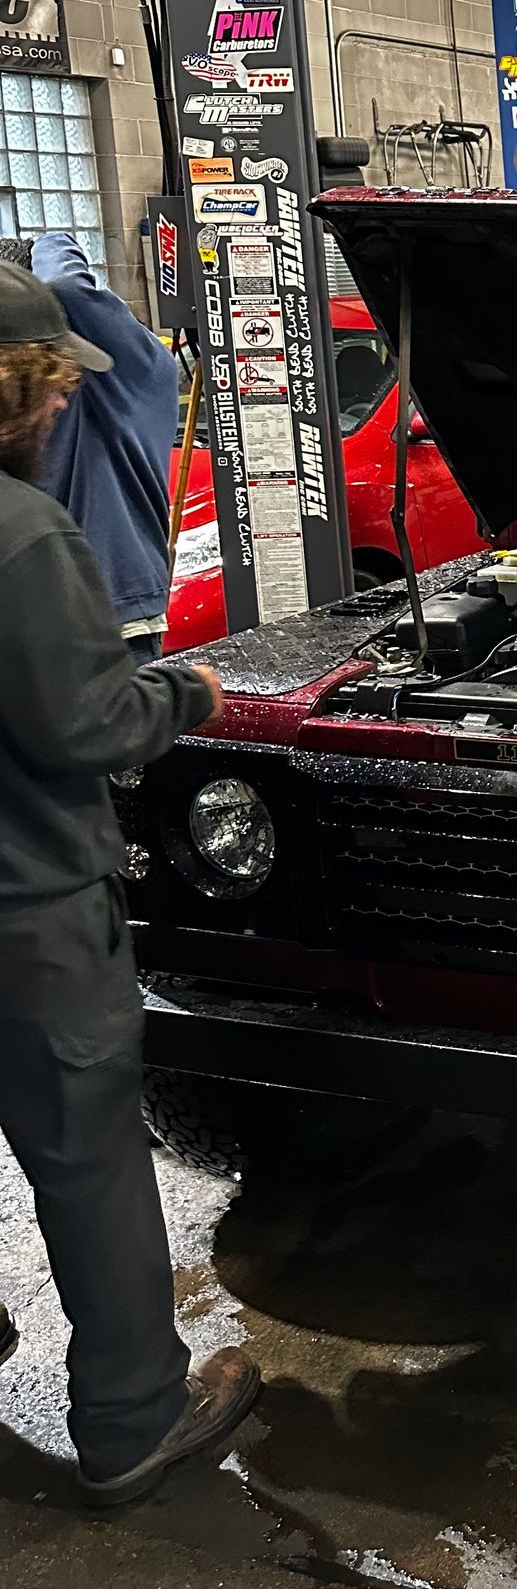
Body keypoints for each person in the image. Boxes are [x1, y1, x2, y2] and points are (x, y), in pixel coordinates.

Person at [0, 258, 259, 1507]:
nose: (63, 403)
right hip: (29, 909)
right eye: (49, 382)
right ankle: (133, 1418)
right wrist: (190, 690)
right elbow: (88, 722)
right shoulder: (24, 535)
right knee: (88, 1159)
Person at [0, 232, 179, 659]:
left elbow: (66, 284)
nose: (58, 397)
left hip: (113, 617)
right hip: (28, 615)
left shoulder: (130, 373)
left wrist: (50, 241)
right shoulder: (26, 397)